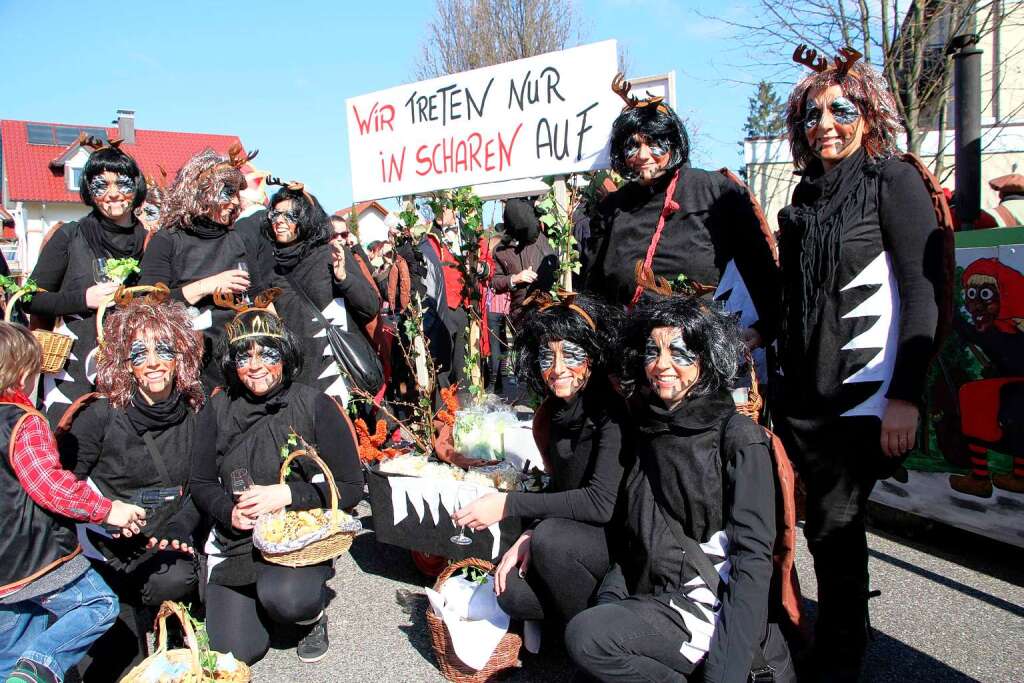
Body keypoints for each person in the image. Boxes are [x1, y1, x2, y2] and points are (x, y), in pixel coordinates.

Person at [776, 46, 947, 680]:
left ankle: (841, 657)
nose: (826, 122)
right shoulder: (805, 195)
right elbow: (794, 300)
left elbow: (920, 289)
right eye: (813, 113)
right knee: (799, 520)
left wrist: (905, 395)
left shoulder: (891, 180)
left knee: (836, 533)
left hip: (863, 393)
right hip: (803, 395)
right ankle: (807, 632)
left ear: (867, 114)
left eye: (841, 108)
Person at [566, 297, 792, 683]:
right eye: (653, 350)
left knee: (588, 637)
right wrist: (610, 602)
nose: (662, 364)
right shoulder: (650, 428)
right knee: (591, 636)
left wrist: (726, 673)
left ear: (706, 360)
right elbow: (639, 535)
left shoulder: (739, 439)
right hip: (659, 596)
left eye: (681, 351)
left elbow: (752, 564)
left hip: (711, 609)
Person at [191, 302, 363, 665]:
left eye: (267, 353)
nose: (255, 366)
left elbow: (350, 486)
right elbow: (202, 480)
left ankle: (309, 615)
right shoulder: (217, 408)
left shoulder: (315, 405)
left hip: (294, 541)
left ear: (284, 355)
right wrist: (228, 512)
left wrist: (286, 495)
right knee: (235, 652)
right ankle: (260, 603)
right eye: (243, 357)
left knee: (287, 600)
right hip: (237, 541)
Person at [453, 293, 627, 627]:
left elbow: (601, 503)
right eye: (548, 357)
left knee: (548, 540)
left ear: (591, 356)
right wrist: (527, 533)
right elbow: (561, 486)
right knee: (509, 591)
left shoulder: (611, 412)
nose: (558, 368)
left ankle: (594, 634)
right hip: (573, 531)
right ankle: (565, 624)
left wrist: (510, 505)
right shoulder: (555, 412)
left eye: (571, 355)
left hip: (615, 543)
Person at [57, 290, 206, 681]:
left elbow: (205, 483)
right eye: (140, 353)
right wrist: (102, 515)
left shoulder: (197, 411)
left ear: (182, 356)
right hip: (103, 552)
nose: (154, 363)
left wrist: (180, 528)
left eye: (164, 350)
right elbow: (60, 483)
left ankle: (165, 620)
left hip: (167, 550)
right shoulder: (100, 415)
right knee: (109, 666)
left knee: (172, 583)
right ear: (125, 362)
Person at [579, 75, 779, 353]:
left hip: (699, 353)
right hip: (634, 358)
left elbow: (760, 268)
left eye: (655, 143)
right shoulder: (613, 207)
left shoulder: (713, 190)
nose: (643, 154)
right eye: (632, 145)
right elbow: (595, 290)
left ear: (672, 143)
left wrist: (765, 327)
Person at [0, 321, 146, 683]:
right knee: (97, 605)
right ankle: (38, 668)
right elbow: (49, 485)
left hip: (3, 568)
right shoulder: (22, 423)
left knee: (14, 643)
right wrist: (108, 509)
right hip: (35, 555)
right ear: (21, 373)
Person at [24, 138, 148, 426]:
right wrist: (83, 298)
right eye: (101, 185)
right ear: (89, 192)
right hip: (72, 372)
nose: (113, 193)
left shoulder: (151, 241)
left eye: (122, 183)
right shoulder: (70, 236)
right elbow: (30, 298)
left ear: (136, 186)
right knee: (69, 445)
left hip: (133, 366)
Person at [138, 145, 269, 389]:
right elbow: (148, 303)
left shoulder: (239, 238)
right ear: (201, 192)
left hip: (238, 357)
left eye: (235, 193)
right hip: (187, 358)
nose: (233, 201)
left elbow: (260, 296)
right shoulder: (168, 240)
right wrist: (206, 286)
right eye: (226, 192)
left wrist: (277, 339)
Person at [263, 181, 380, 405]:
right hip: (305, 387)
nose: (279, 221)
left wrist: (344, 278)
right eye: (275, 214)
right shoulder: (274, 274)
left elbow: (370, 307)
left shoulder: (331, 255)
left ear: (306, 218)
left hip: (347, 376)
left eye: (290, 215)